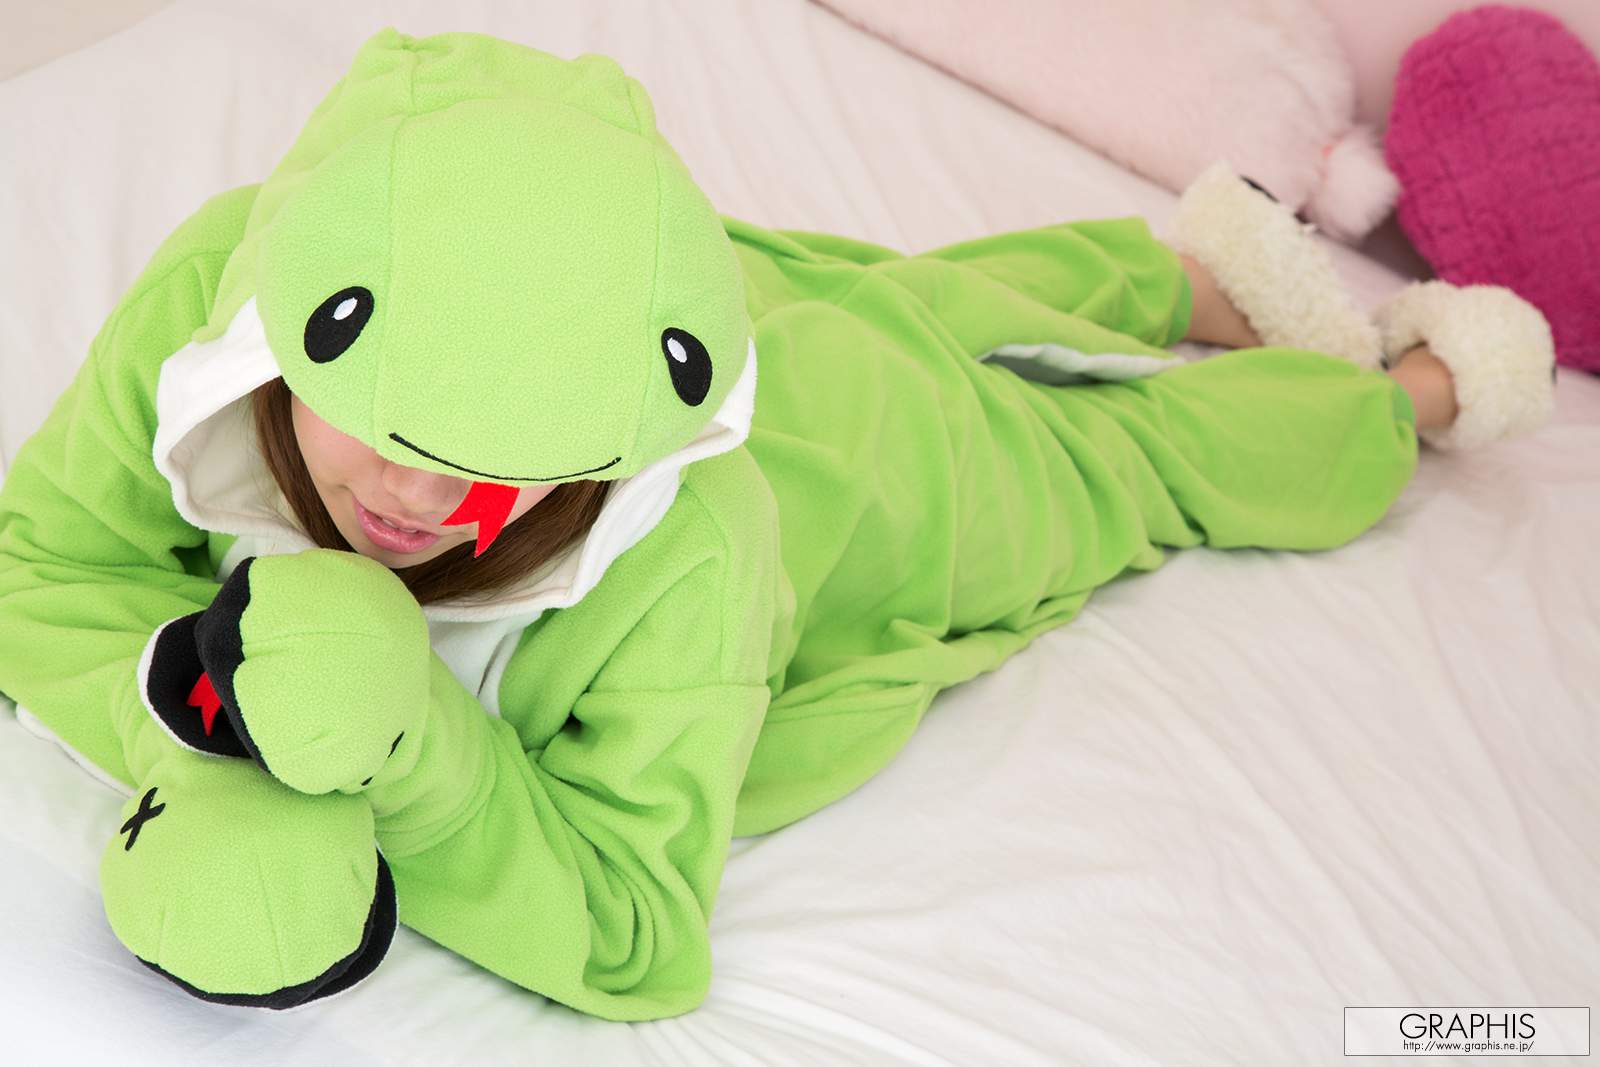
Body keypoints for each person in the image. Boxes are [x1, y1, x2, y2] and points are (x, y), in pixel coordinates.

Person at [0, 29, 1554, 1020]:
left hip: (875, 485)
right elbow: (36, 565)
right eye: (389, 439)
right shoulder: (224, 288)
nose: (416, 504)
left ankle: (1408, 393)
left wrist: (402, 741)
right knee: (901, 293)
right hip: (756, 313)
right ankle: (1182, 274)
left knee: (1111, 457)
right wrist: (209, 718)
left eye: (496, 469)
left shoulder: (694, 552)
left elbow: (636, 932)